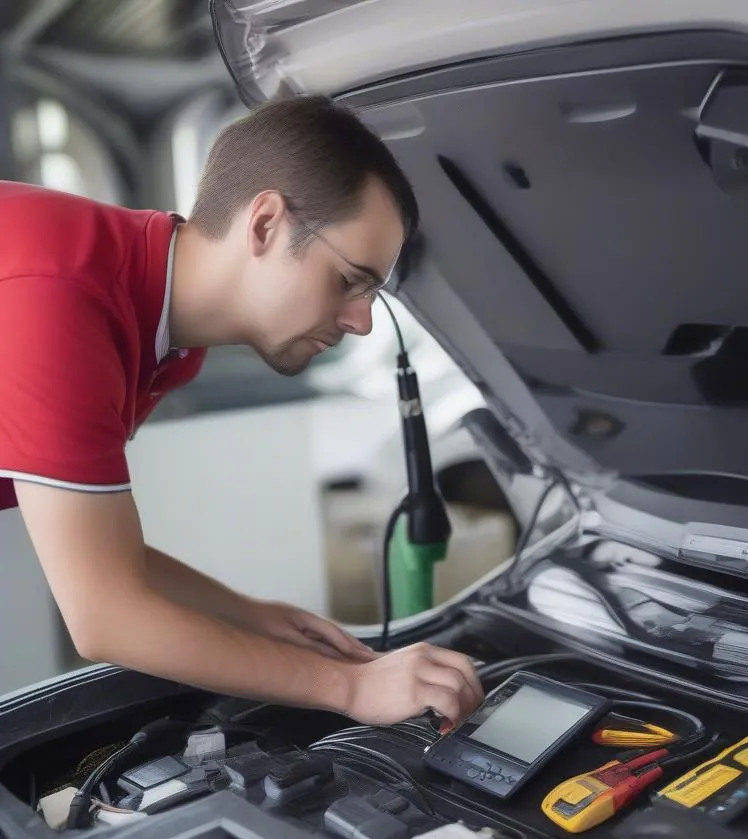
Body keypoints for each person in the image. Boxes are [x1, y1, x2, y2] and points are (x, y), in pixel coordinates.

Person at [0, 95, 482, 730]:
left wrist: (251, 615)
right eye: (349, 281)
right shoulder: (61, 297)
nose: (362, 323)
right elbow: (105, 616)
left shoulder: (170, 341)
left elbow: (107, 557)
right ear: (265, 225)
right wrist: (349, 689)